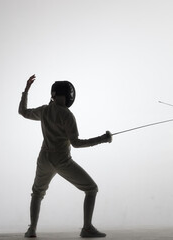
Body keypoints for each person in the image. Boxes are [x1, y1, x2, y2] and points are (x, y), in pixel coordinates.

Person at [19, 74, 112, 238]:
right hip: (61, 161)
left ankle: (31, 230)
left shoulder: (44, 110)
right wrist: (102, 139)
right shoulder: (67, 115)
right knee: (91, 189)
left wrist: (26, 90)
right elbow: (76, 143)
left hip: (44, 159)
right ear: (67, 96)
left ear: (54, 95)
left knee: (37, 193)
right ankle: (87, 228)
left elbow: (23, 112)